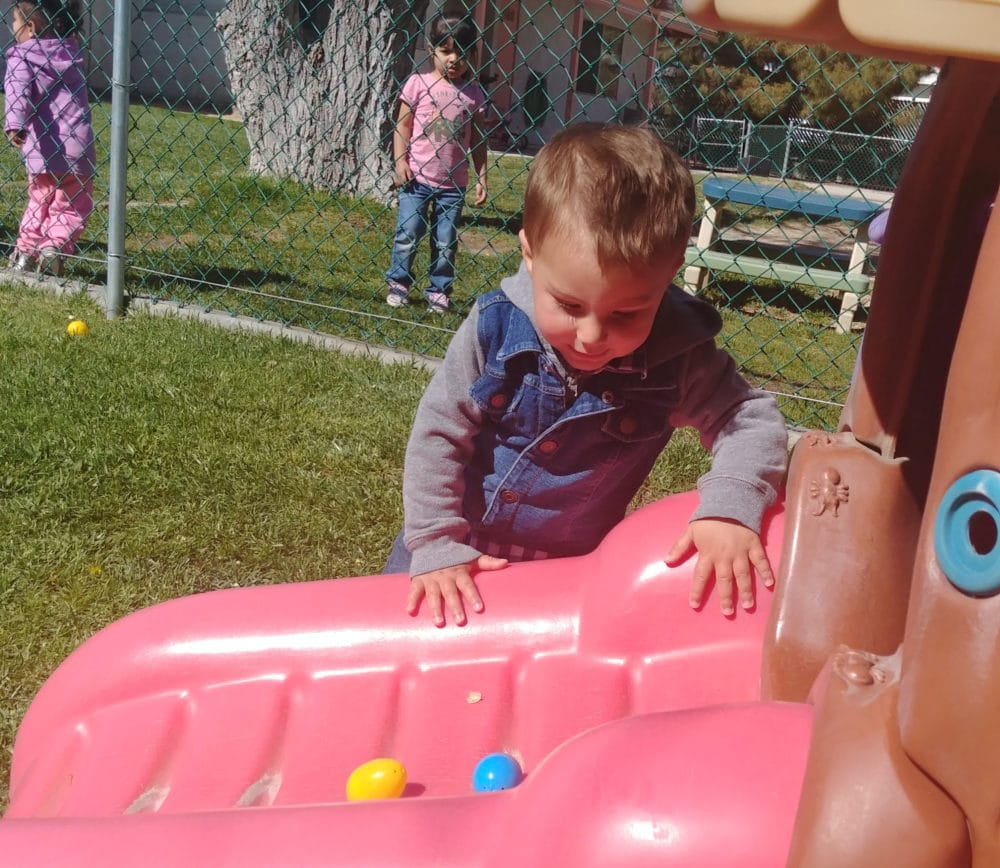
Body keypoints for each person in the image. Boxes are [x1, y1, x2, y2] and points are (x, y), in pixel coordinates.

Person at [385, 122, 788, 628]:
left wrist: (729, 506)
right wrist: (437, 540)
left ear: (670, 273)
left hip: (570, 572)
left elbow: (746, 417)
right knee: (406, 650)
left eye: (626, 314)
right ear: (529, 253)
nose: (592, 335)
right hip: (452, 548)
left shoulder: (678, 357)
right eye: (569, 305)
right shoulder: (494, 327)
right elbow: (439, 431)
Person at [384, 7, 488, 314]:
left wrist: (482, 177)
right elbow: (402, 125)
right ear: (432, 51)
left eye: (463, 54)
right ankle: (399, 283)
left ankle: (439, 290)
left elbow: (478, 141)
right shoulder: (417, 84)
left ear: (473, 56)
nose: (454, 60)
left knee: (445, 242)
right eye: (446, 52)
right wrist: (399, 161)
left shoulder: (473, 95)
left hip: (453, 185)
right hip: (417, 178)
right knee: (408, 232)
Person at [4, 0, 96, 277]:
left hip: (41, 146)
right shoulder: (71, 52)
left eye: (15, 22)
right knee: (71, 204)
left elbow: (17, 91)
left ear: (30, 27)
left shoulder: (21, 56)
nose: (12, 27)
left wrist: (14, 125)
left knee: (39, 201)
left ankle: (25, 254)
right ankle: (54, 247)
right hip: (77, 147)